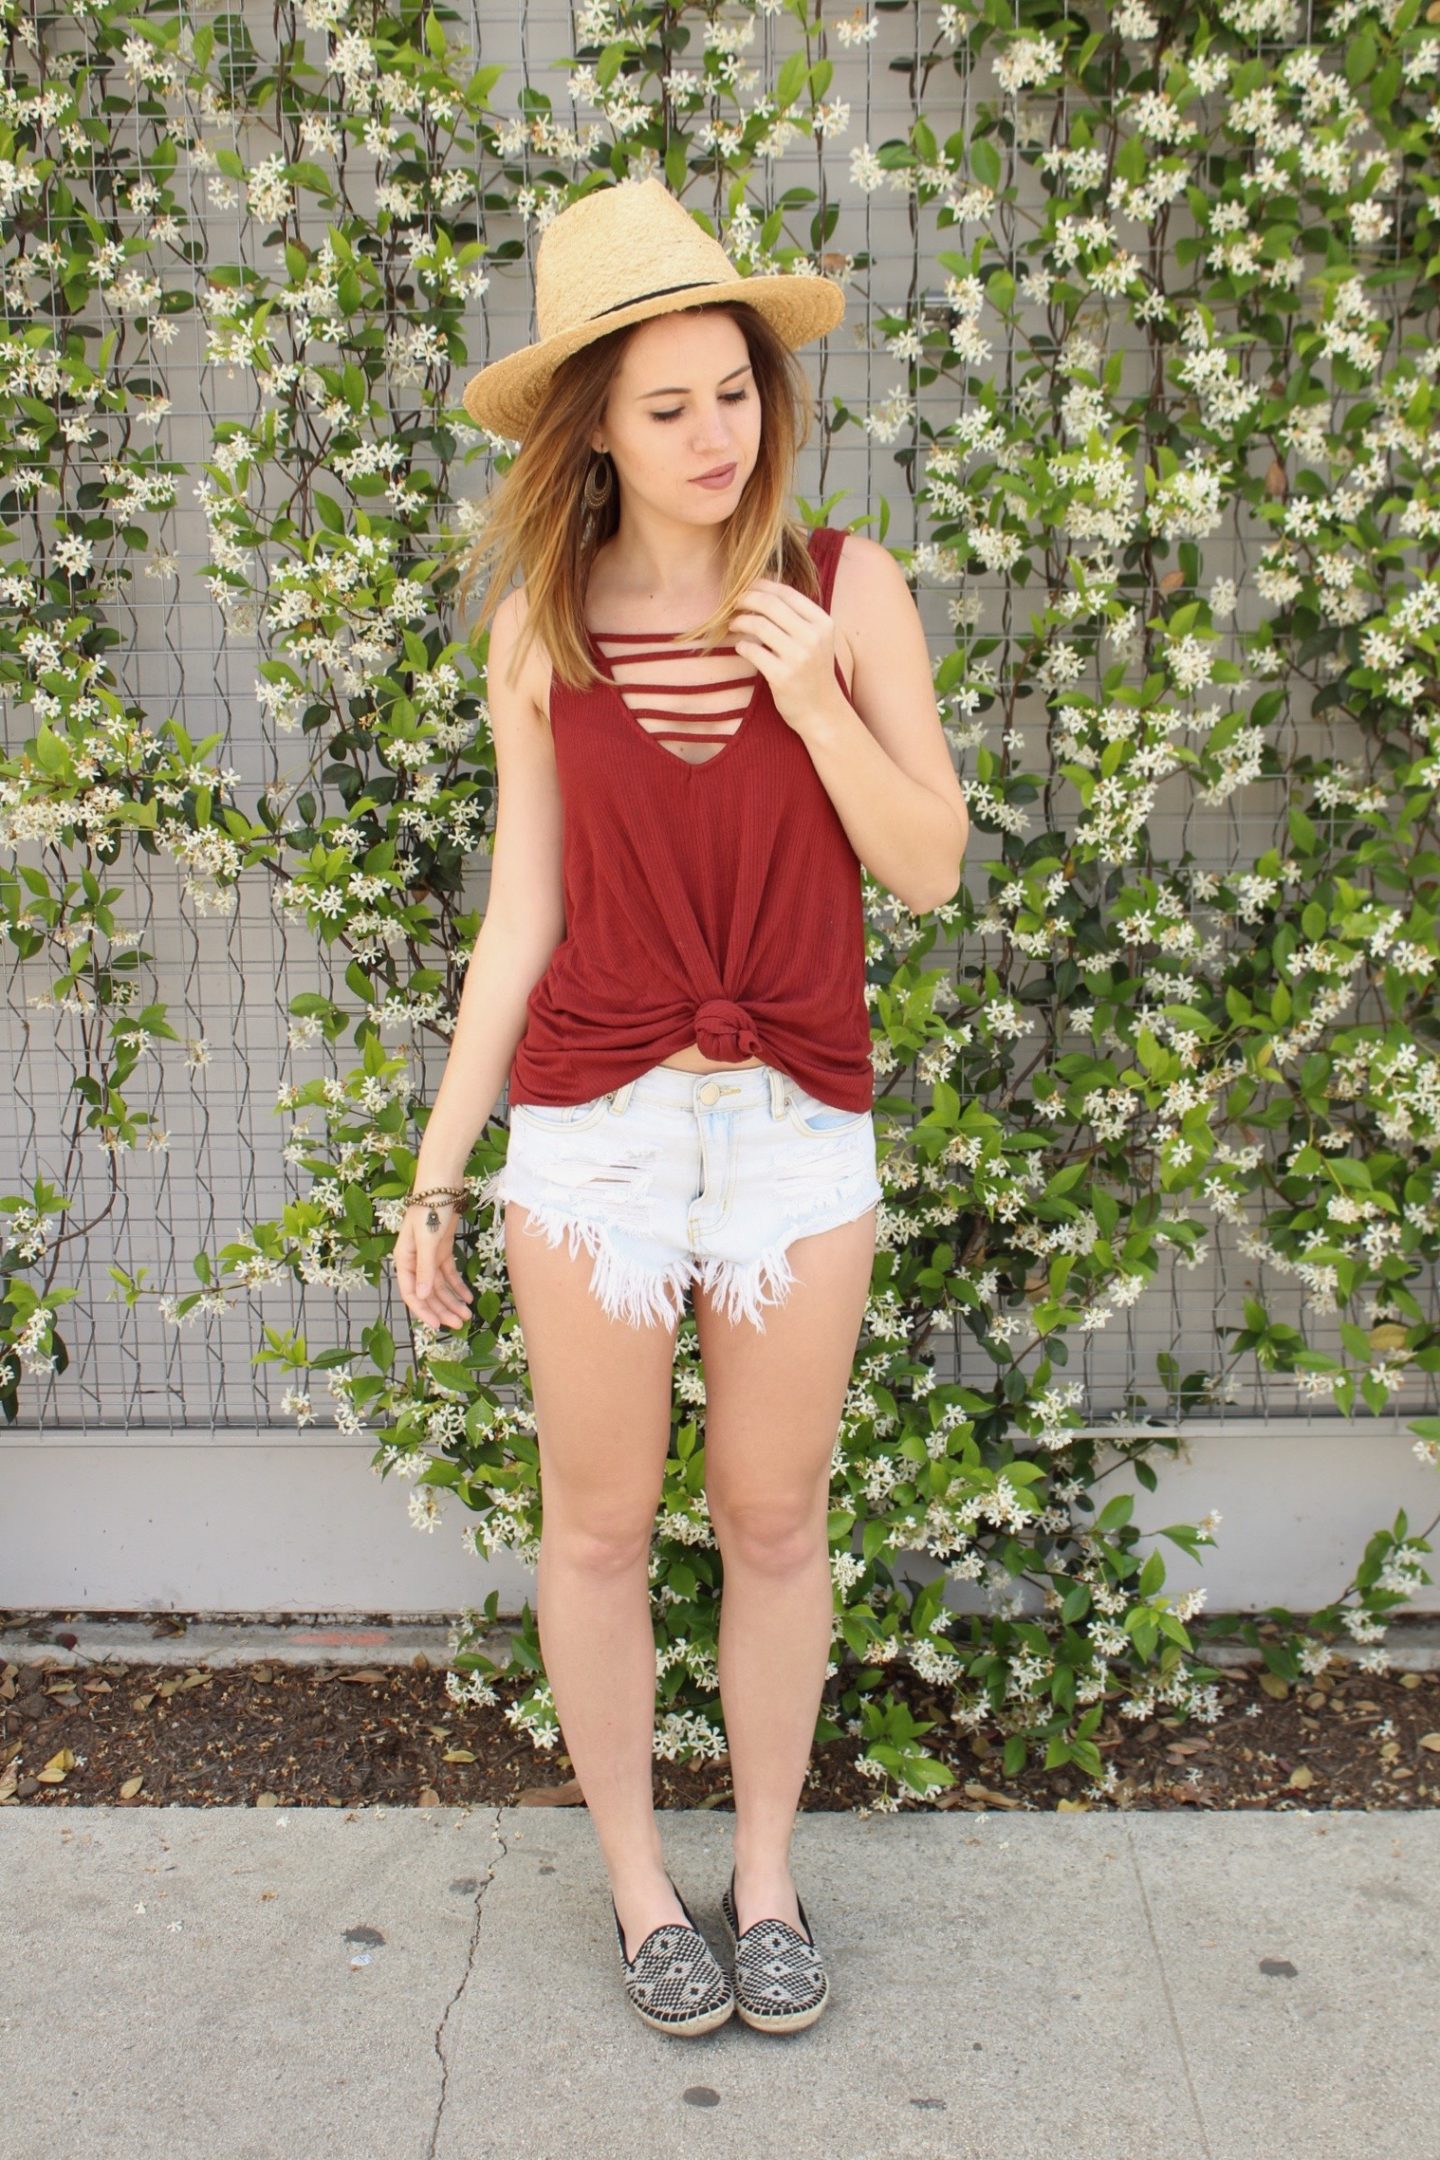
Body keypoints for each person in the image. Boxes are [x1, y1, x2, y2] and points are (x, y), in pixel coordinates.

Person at [392, 178, 969, 2036]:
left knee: (775, 1519)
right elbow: (522, 919)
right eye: (670, 406)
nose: (718, 434)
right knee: (598, 1529)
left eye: (736, 391)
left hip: (794, 1137)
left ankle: (769, 1878)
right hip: (599, 1142)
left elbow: (932, 865)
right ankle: (645, 1889)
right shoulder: (542, 630)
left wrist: (819, 707)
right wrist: (435, 1178)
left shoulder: (843, 591)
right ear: (594, 432)